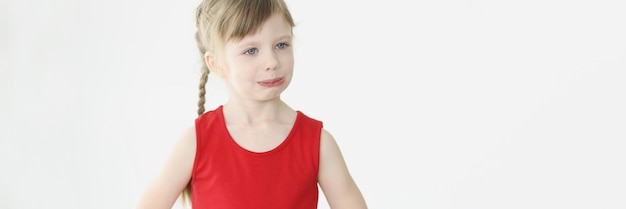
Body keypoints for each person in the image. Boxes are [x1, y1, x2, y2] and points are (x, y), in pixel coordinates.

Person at [135, 0, 367, 208]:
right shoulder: (195, 142)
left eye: (281, 45)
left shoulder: (318, 143)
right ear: (216, 64)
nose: (271, 62)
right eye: (251, 50)